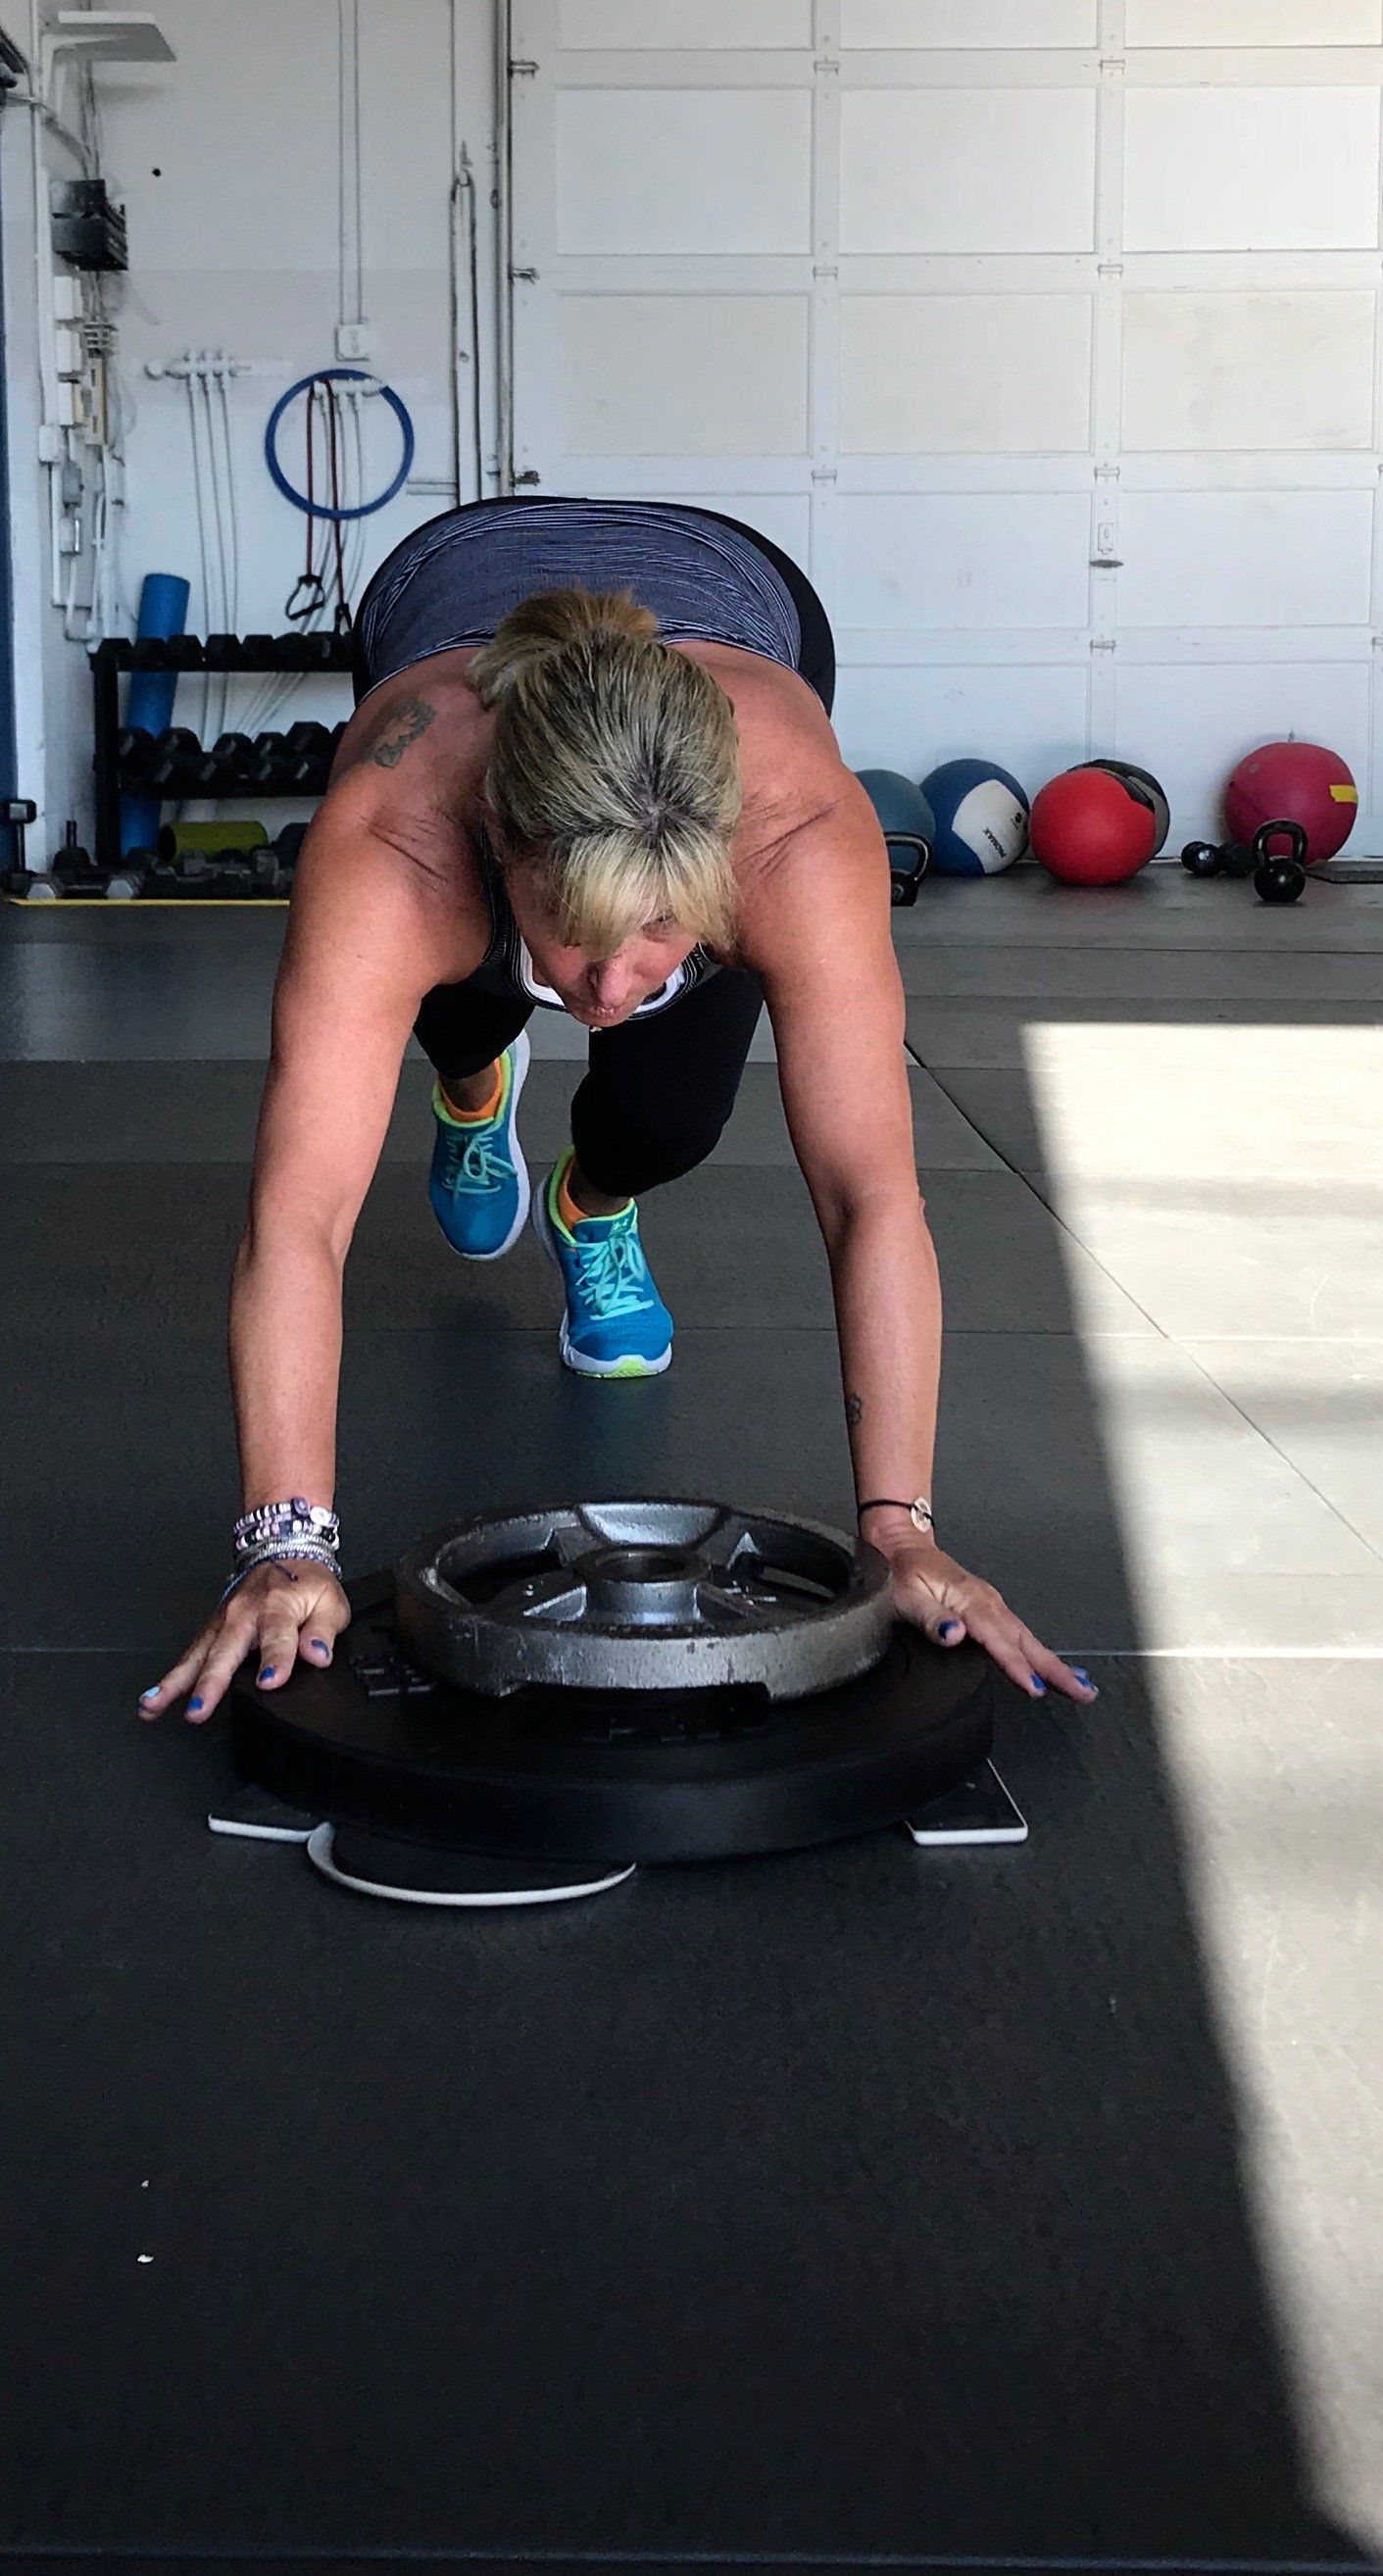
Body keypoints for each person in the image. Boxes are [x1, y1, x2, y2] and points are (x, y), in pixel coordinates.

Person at [139, 497, 1096, 1725]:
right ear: (498, 838)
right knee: (448, 1000)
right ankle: (474, 1081)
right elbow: (297, 1216)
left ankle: (586, 1202)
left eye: (660, 934)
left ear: (721, 870)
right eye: (574, 938)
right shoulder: (399, 841)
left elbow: (871, 1196)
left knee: (669, 1122)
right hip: (447, 581)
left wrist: (900, 1533)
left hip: (735, 583)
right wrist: (288, 1548)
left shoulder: (798, 835)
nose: (609, 983)